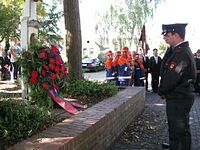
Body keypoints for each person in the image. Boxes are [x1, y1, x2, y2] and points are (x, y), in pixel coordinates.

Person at [158, 23, 196, 150]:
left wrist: (162, 90)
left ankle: (179, 147)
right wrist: (170, 48)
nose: (165, 38)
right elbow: (164, 67)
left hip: (179, 97)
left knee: (179, 128)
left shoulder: (181, 52)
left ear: (176, 35)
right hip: (178, 95)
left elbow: (172, 75)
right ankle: (175, 145)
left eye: (167, 35)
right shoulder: (176, 50)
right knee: (176, 126)